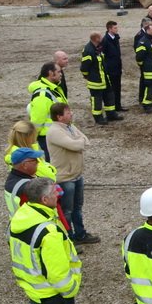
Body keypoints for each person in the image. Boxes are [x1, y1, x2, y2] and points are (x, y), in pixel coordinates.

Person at [46, 103, 101, 245]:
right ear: (59, 116)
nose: (71, 113)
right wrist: (78, 141)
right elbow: (76, 145)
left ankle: (80, 234)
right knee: (67, 211)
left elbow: (85, 141)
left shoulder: (70, 126)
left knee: (77, 208)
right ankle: (68, 238)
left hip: (76, 175)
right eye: (67, 112)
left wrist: (78, 141)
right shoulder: (54, 131)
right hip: (65, 178)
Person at [28, 62, 67, 159]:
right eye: (58, 72)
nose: (61, 74)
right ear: (51, 73)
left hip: (56, 133)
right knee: (55, 164)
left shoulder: (53, 88)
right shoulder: (43, 94)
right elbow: (37, 120)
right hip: (49, 136)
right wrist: (33, 137)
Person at [81, 32, 121, 124]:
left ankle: (111, 114)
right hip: (96, 81)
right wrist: (88, 76)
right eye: (101, 37)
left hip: (104, 79)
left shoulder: (98, 48)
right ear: (96, 39)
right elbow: (84, 68)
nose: (103, 38)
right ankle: (98, 118)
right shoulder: (89, 50)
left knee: (109, 96)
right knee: (97, 100)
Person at [102, 21, 127, 112]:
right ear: (109, 29)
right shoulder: (105, 40)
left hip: (117, 67)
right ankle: (112, 108)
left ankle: (118, 105)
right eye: (115, 28)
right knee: (112, 89)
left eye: (117, 27)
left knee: (118, 88)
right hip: (110, 69)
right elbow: (104, 55)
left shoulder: (116, 38)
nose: (117, 29)